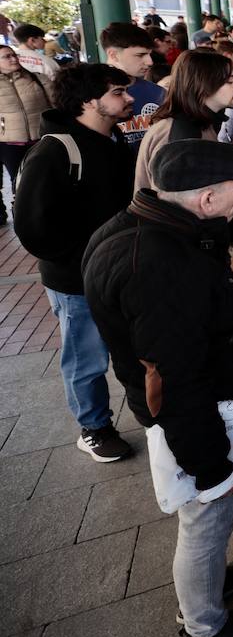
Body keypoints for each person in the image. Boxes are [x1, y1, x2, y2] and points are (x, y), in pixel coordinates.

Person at [82, 140, 233, 637]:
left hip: (206, 396)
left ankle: (209, 580)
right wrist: (210, 466)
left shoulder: (161, 226)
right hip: (194, 411)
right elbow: (174, 383)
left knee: (211, 516)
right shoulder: (155, 262)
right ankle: (204, 629)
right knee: (207, 511)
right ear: (204, 198)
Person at [13, 64, 136, 462]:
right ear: (89, 101)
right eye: (119, 92)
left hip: (120, 272)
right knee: (86, 358)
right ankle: (94, 428)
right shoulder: (54, 151)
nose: (129, 98)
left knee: (127, 348)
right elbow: (31, 227)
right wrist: (80, 260)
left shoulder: (114, 139)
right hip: (76, 281)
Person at [136, 52, 233, 191]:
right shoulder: (181, 132)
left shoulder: (198, 122)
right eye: (229, 81)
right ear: (204, 84)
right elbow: (172, 199)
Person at [0, 43, 52, 225]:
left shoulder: (37, 79)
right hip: (9, 142)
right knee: (19, 182)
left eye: (13, 55)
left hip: (41, 138)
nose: (13, 59)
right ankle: (25, 218)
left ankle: (46, 215)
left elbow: (55, 103)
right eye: (7, 56)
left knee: (44, 179)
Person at [102, 22, 164, 151]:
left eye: (149, 54)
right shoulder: (91, 96)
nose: (150, 62)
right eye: (140, 55)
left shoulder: (159, 93)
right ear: (113, 55)